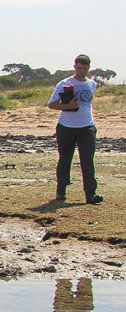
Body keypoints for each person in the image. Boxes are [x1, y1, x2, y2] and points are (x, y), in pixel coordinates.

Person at [48, 54, 103, 204]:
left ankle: (90, 194)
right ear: (75, 67)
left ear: (88, 68)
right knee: (65, 159)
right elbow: (52, 104)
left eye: (85, 68)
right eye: (79, 68)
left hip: (87, 127)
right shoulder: (64, 83)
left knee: (87, 160)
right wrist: (68, 106)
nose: (82, 71)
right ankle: (61, 191)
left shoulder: (92, 84)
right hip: (66, 127)